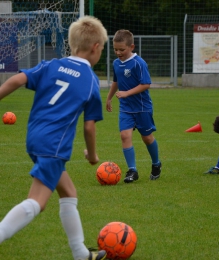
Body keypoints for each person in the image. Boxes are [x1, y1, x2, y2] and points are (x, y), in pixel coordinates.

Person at [0, 16, 108, 260]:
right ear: (95, 47)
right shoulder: (91, 81)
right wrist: (92, 156)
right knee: (37, 202)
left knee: (68, 192)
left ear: (72, 44)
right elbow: (89, 128)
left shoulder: (51, 65)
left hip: (34, 138)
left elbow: (18, 78)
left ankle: (81, 253)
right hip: (53, 146)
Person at [106, 29, 161, 183]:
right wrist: (109, 97)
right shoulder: (116, 63)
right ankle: (132, 170)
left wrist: (126, 93)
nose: (118, 52)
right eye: (115, 49)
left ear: (131, 47)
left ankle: (156, 163)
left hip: (142, 107)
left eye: (121, 49)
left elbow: (146, 84)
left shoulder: (139, 63)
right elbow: (116, 82)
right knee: (125, 135)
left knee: (147, 138)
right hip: (125, 108)